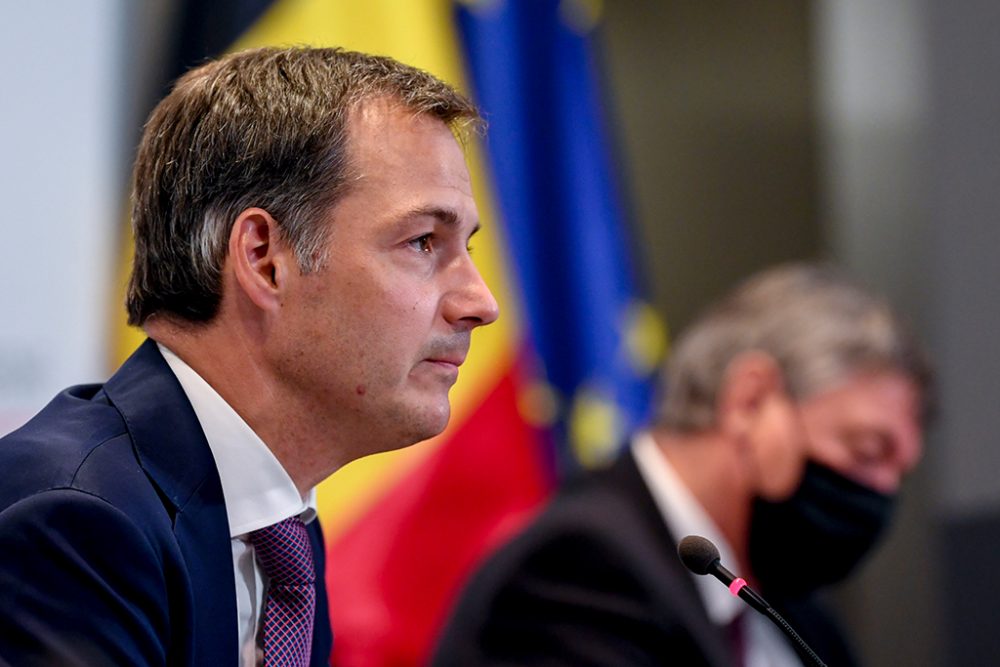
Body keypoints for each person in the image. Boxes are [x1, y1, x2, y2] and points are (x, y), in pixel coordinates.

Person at [0, 46, 498, 666]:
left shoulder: (278, 531)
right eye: (424, 241)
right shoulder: (74, 524)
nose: (481, 302)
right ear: (264, 258)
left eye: (467, 247)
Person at [432, 263, 931, 667]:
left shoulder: (797, 616)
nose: (883, 491)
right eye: (867, 451)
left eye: (900, 473)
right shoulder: (574, 570)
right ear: (750, 401)